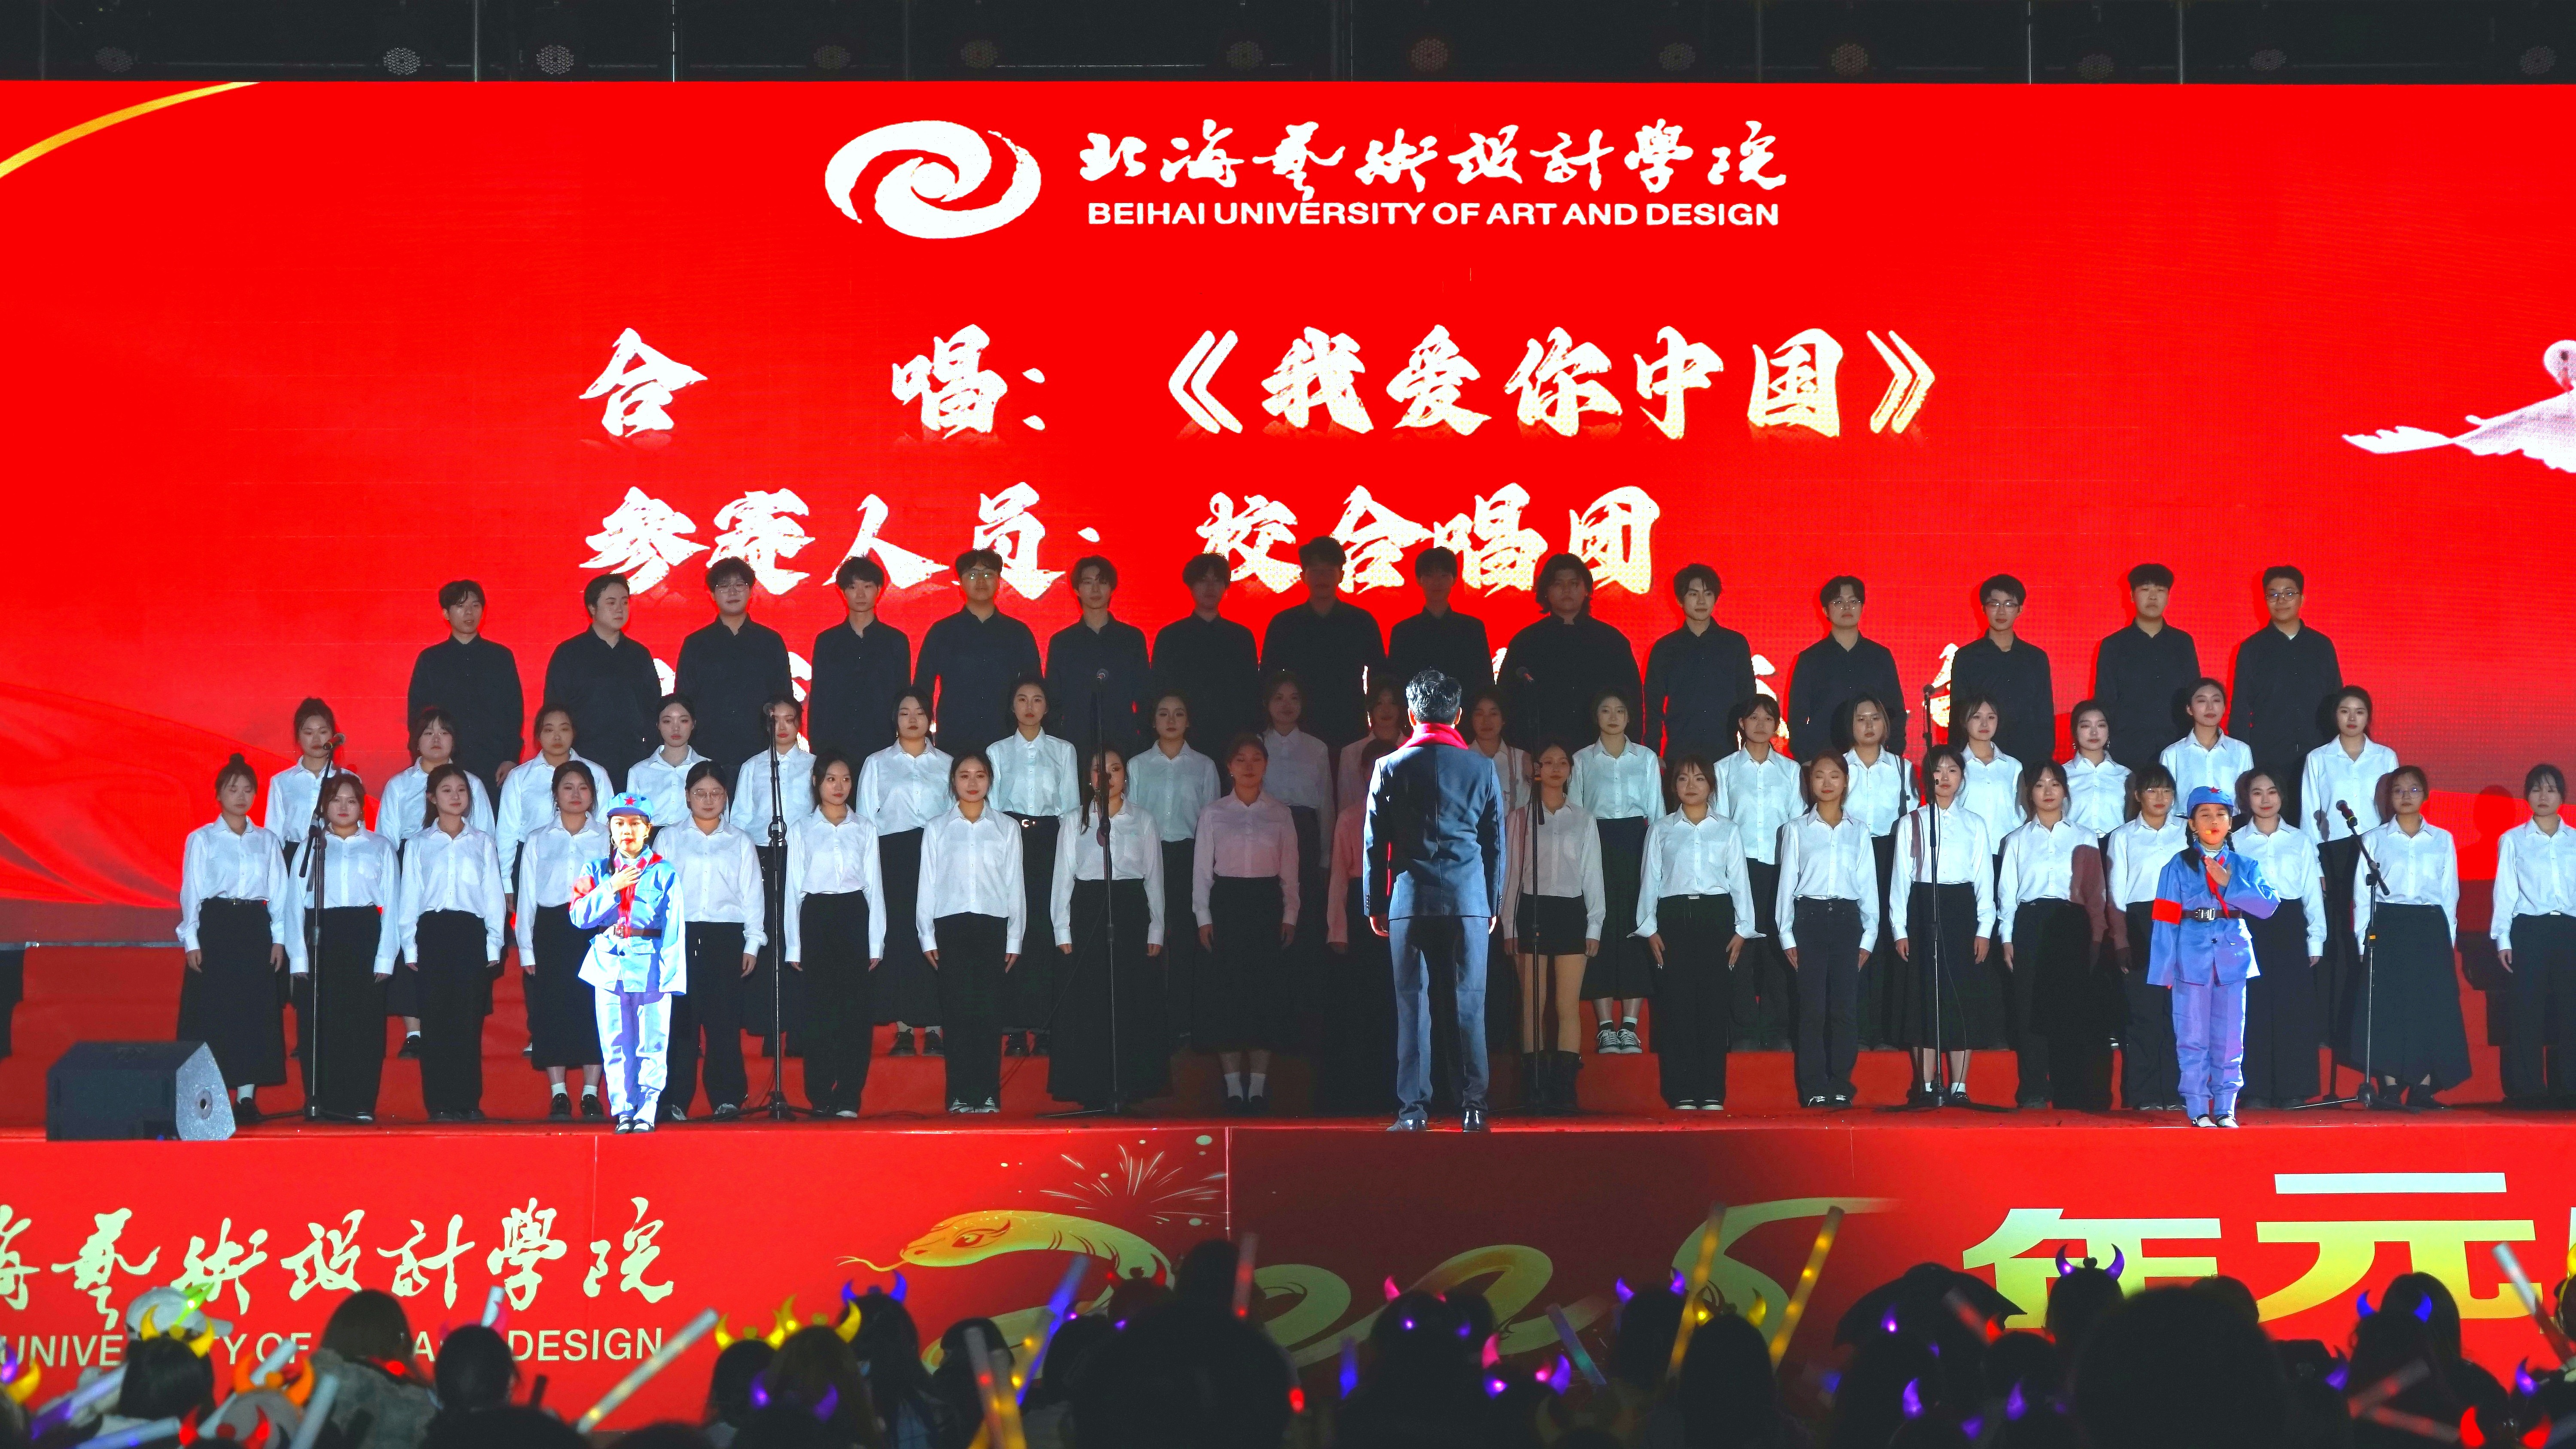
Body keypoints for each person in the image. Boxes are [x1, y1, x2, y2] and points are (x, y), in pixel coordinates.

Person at [1364, 670, 1504, 1132]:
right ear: (1458, 716)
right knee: (1470, 1003)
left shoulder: (1389, 766)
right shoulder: (1481, 767)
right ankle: (1474, 1108)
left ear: (1411, 715)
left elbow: (1374, 844)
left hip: (1410, 899)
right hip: (1468, 899)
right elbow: (1495, 843)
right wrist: (1492, 901)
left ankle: (1413, 1112)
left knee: (1412, 1005)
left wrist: (1375, 903)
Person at [2148, 785, 2282, 1128]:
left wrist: (2229, 883)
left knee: (2230, 1038)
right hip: (2190, 959)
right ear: (2192, 824)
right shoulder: (2176, 867)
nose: (2213, 821)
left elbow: (2268, 906)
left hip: (2232, 957)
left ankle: (2225, 1108)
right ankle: (2197, 1108)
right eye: (2204, 815)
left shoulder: (2245, 865)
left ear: (2231, 822)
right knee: (2192, 1036)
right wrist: (2164, 971)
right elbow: (2164, 921)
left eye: (2221, 814)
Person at [1052, 744, 1169, 1111]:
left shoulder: (1143, 820)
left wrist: (1157, 927)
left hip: (1130, 911)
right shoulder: (1075, 820)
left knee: (1130, 998)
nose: (1108, 777)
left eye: (1115, 769)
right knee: (1091, 1001)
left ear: (1125, 776)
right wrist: (1062, 928)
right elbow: (1063, 878)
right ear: (1089, 778)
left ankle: (1130, 1086)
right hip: (1089, 910)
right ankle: (1092, 1087)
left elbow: (1154, 878)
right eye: (1099, 770)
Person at [1637, 755, 1755, 1112]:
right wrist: (1649, 928)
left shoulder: (1728, 829)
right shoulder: (1661, 829)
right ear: (1673, 786)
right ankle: (1682, 1091)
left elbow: (1740, 881)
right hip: (1673, 918)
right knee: (1677, 1006)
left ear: (1711, 786)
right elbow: (1650, 880)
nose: (1691, 786)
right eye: (1683, 779)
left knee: (1713, 1005)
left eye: (1699, 779)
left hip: (1715, 917)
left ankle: (1712, 1092)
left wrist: (1743, 929)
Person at [2346, 765, 2467, 1111]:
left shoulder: (2442, 839)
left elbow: (2449, 894)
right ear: (2389, 797)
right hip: (2389, 925)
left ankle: (2423, 1088)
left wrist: (2448, 939)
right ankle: (2389, 1086)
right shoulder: (2375, 839)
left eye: (2413, 790)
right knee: (2389, 1006)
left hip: (2430, 927)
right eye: (2398, 790)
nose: (2406, 796)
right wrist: (2363, 940)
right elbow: (2362, 896)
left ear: (2425, 795)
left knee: (2429, 1007)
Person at [179, 754, 290, 1121]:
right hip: (217, 926)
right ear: (218, 795)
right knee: (214, 1010)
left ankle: (246, 1097)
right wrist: (192, 940)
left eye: (247, 790)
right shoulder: (203, 839)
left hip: (254, 927)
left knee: (252, 1011)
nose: (241, 797)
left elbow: (279, 892)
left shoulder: (267, 840)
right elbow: (191, 892)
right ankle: (211, 1097)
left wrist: (278, 938)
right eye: (233, 789)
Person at [1194, 735, 1300, 1114]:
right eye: (1241, 759)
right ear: (1229, 767)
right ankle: (1232, 1089)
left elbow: (1291, 872)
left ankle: (1256, 1088)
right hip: (1227, 905)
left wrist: (1290, 914)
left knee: (1263, 995)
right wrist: (1203, 917)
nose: (1249, 766)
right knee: (1228, 996)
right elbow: (1202, 872)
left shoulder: (1281, 813)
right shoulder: (1214, 813)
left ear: (1267, 765)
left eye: (1257, 759)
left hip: (1265, 905)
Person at [1997, 761, 2113, 1110]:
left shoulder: (2084, 837)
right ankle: (2034, 1088)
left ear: (2065, 790)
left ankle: (2069, 1089)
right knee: (2029, 1006)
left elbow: (2096, 894)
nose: (2048, 791)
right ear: (2029, 793)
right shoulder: (2016, 840)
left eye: (2055, 784)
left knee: (2071, 1007)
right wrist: (2006, 937)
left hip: (2072, 922)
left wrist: (2097, 936)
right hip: (2030, 922)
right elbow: (2007, 894)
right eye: (2040, 785)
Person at [570, 791, 688, 1132]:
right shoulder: (595, 869)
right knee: (616, 1041)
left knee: (652, 1041)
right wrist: (611, 887)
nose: (627, 830)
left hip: (651, 965)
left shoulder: (663, 871)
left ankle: (647, 1109)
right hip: (608, 965)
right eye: (620, 823)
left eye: (636, 823)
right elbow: (578, 916)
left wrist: (672, 977)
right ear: (610, 828)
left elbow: (674, 927)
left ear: (648, 829)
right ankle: (623, 1109)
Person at [1889, 743, 1999, 1106]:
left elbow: (1984, 878)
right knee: (1924, 995)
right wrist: (1900, 929)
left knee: (1961, 995)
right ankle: (1925, 1085)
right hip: (1924, 906)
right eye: (1938, 770)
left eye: (1953, 770)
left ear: (1962, 777)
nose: (1945, 777)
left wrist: (1984, 929)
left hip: (1961, 909)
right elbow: (1900, 879)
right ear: (1927, 777)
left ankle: (1959, 1086)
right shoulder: (1913, 822)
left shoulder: (1974, 824)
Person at [395, 763, 506, 1122]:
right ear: (432, 797)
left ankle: (467, 1100)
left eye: (461, 791)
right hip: (433, 933)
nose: (455, 797)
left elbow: (493, 896)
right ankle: (439, 1102)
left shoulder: (482, 842)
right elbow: (410, 897)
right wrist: (410, 946)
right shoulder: (418, 844)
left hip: (470, 934)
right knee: (436, 1020)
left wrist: (494, 943)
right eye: (447, 790)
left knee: (467, 1021)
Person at [286, 772, 399, 1121]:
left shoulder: (379, 846)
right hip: (322, 934)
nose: (344, 807)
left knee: (363, 1024)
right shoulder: (311, 847)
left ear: (362, 806)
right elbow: (294, 903)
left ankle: (361, 1102)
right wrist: (298, 957)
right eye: (336, 800)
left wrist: (385, 957)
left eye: (352, 801)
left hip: (363, 934)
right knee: (321, 1022)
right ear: (324, 806)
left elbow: (393, 905)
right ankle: (322, 1101)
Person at [1499, 742, 1603, 1116]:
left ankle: (1564, 1089)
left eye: (1563, 762)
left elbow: (1593, 874)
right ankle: (1534, 1088)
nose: (1556, 768)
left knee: (1566, 1004)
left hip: (1571, 911)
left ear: (1571, 770)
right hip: (1532, 909)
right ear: (1537, 770)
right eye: (1549, 762)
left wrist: (1595, 924)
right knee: (1533, 1004)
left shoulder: (1583, 819)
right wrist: (1509, 925)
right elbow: (1511, 874)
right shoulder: (1519, 819)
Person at [918, 751, 1024, 1114]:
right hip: (952, 925)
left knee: (989, 1013)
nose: (973, 782)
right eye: (964, 775)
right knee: (957, 1012)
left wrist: (1015, 936)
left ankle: (988, 1094)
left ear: (991, 780)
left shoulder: (1007, 828)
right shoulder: (937, 828)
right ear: (953, 782)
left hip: (992, 925)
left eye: (980, 775)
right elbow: (927, 884)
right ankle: (960, 1095)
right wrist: (927, 935)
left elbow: (1015, 885)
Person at [784, 749, 885, 1119]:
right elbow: (794, 890)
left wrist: (876, 942)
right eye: (831, 779)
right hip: (817, 916)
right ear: (816, 783)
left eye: (845, 779)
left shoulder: (865, 828)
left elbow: (874, 888)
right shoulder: (802, 829)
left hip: (854, 914)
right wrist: (794, 945)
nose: (839, 786)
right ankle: (820, 1095)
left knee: (855, 1014)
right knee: (819, 1012)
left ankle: (848, 1096)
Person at [662, 761, 762, 1121]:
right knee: (681, 1025)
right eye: (700, 793)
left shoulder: (740, 841)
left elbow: (752, 896)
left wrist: (752, 943)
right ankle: (674, 1100)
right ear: (687, 797)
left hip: (725, 936)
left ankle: (727, 1098)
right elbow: (658, 894)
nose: (708, 800)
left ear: (726, 797)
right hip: (682, 935)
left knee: (724, 1023)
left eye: (716, 793)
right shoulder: (669, 838)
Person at [1777, 752, 1878, 1108]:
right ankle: (1814, 1087)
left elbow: (1868, 887)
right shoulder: (1796, 829)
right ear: (1810, 782)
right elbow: (1786, 886)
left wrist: (1869, 937)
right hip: (1810, 920)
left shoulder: (1859, 830)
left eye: (1834, 775)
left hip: (1848, 922)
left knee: (1844, 1009)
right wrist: (1787, 935)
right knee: (1812, 1009)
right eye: (1819, 775)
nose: (1827, 782)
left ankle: (1840, 1084)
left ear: (1846, 782)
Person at [860, 690, 952, 1059]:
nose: (912, 719)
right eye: (904, 713)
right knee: (899, 934)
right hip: (893, 855)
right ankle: (902, 1029)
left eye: (920, 712)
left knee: (934, 934)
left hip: (937, 854)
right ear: (894, 719)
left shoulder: (947, 763)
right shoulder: (877, 763)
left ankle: (935, 1027)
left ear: (930, 718)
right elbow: (865, 819)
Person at [514, 760, 608, 1120]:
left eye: (583, 788)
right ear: (555, 794)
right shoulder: (538, 838)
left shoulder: (608, 837)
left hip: (594, 931)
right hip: (551, 931)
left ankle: (590, 1093)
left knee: (594, 1011)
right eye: (568, 787)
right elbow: (527, 896)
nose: (576, 794)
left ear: (593, 795)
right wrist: (526, 947)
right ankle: (559, 1094)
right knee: (551, 1011)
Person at [991, 676, 1080, 1058]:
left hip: (1050, 841)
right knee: (1013, 927)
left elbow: (1071, 807)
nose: (1029, 707)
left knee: (1045, 928)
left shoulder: (1064, 751)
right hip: (1010, 840)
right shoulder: (996, 751)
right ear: (1011, 706)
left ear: (1047, 707)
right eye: (1022, 699)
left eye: (1037, 699)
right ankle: (1013, 1027)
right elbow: (994, 807)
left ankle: (1045, 1026)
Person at [1570, 690, 1662, 1056]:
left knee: (1635, 927)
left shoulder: (1646, 758)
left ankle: (1631, 1025)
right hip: (1596, 844)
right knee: (1601, 927)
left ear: (1629, 717)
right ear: (1596, 716)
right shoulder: (1582, 760)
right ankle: (1606, 1027)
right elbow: (1575, 813)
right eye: (1606, 710)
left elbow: (1657, 814)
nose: (1613, 717)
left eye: (1620, 711)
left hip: (1637, 843)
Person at [2230, 770, 2327, 1108]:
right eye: (2257, 793)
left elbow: (2312, 893)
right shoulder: (2236, 841)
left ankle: (2293, 1089)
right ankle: (2254, 1090)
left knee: (2293, 1008)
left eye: (2272, 792)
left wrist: (2316, 939)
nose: (2265, 800)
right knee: (2253, 1008)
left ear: (2282, 797)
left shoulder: (2299, 840)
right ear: (2246, 800)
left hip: (2289, 925)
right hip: (2251, 925)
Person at [2303, 684, 2397, 1031]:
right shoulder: (2318, 759)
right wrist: (2315, 866)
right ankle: (2334, 1026)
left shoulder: (2385, 757)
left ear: (2369, 716)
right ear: (2335, 716)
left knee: (2371, 930)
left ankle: (2371, 1022)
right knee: (2340, 934)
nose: (2352, 718)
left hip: (2374, 852)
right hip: (2334, 854)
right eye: (2345, 711)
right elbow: (2310, 816)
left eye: (2360, 711)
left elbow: (2394, 808)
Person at [1131, 691, 1219, 1052]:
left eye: (1179, 714)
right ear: (1153, 721)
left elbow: (1212, 821)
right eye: (1164, 714)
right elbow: (1131, 818)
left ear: (1188, 721)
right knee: (1148, 939)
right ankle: (1148, 1023)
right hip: (1147, 856)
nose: (1171, 721)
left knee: (1183, 941)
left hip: (1188, 856)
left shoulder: (1204, 766)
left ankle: (1182, 1025)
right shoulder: (1137, 765)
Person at [732, 694, 815, 1064]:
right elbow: (740, 819)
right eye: (775, 720)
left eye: (789, 719)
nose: (782, 727)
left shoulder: (813, 765)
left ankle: (800, 1027)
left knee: (800, 937)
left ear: (799, 723)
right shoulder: (752, 767)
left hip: (803, 857)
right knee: (770, 938)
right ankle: (771, 1026)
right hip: (764, 856)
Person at [1713, 696, 1798, 1050]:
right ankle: (1743, 1031)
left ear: (1777, 725)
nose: (1761, 724)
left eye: (1768, 718)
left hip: (1780, 868)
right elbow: (1719, 822)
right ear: (1741, 724)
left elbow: (1797, 824)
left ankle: (1778, 1030)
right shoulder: (1724, 770)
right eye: (1753, 718)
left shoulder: (1791, 771)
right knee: (1740, 949)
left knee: (1778, 949)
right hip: (1740, 868)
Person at [1322, 735, 1401, 1118]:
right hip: (1360, 912)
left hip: (1402, 910)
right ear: (1364, 772)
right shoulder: (1351, 817)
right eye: (1374, 768)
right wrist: (1337, 929)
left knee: (1399, 1005)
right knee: (1363, 1006)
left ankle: (1400, 1092)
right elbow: (1339, 877)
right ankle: (1362, 1093)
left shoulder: (1411, 814)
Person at [2104, 767, 2188, 1112]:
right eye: (2152, 791)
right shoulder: (2123, 836)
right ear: (2138, 795)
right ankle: (2145, 1095)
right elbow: (2116, 894)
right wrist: (2121, 940)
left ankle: (2177, 1093)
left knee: (2179, 1013)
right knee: (2144, 1012)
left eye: (2166, 791)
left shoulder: (2187, 831)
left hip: (2182, 922)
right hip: (2141, 923)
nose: (2160, 798)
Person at [1500, 552, 1642, 756]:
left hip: (1602, 754)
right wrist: (1520, 753)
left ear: (1587, 590)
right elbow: (1508, 701)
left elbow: (1632, 700)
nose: (1566, 590)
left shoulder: (1611, 641)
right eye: (1558, 584)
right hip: (1543, 756)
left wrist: (1630, 752)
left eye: (1574, 583)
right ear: (1546, 591)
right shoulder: (1526, 642)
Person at [2230, 565, 2343, 822]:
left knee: (2317, 826)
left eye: (2289, 593)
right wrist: (2245, 763)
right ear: (2264, 600)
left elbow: (2337, 702)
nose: (2281, 600)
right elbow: (2240, 710)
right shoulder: (2252, 649)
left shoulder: (2321, 646)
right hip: (2268, 757)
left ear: (2302, 598)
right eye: (2273, 595)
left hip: (2316, 753)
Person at [2495, 764, 2576, 1105]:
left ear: (2562, 797)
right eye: (2536, 789)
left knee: (2571, 1009)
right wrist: (2503, 938)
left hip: (2570, 929)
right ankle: (2528, 1089)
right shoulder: (2513, 840)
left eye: (2551, 790)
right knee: (2527, 1010)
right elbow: (2505, 892)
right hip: (2530, 928)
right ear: (2527, 795)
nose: (2543, 796)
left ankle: (2570, 1087)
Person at [1260, 536, 1387, 751]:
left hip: (1349, 725)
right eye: (1315, 571)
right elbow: (1268, 678)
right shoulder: (1284, 624)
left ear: (1341, 576)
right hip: (1297, 727)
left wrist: (1377, 721)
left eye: (1329, 571)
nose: (1322, 578)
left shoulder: (1361, 622)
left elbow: (1379, 676)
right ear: (1303, 576)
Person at [915, 547, 1043, 760]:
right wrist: (924, 738)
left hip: (1008, 742)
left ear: (999, 580)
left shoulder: (1018, 633)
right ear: (960, 582)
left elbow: (1036, 689)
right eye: (973, 575)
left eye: (988, 574)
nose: (981, 581)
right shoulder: (942, 632)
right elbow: (922, 690)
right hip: (954, 741)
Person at [675, 558, 793, 782]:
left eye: (740, 585)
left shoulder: (770, 642)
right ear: (712, 594)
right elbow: (684, 701)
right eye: (724, 586)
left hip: (760, 755)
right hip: (706, 754)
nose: (732, 592)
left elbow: (784, 700)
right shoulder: (696, 644)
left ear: (751, 591)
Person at [407, 579, 525, 799]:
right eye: (461, 606)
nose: (469, 612)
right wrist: (423, 761)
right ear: (446, 613)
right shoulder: (431, 660)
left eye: (475, 605)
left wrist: (511, 758)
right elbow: (417, 717)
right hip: (444, 763)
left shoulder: (500, 658)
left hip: (492, 764)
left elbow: (513, 712)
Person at [1842, 694, 1915, 1048]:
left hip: (1891, 854)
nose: (1869, 725)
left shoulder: (1904, 768)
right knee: (1855, 938)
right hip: (1849, 854)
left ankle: (1887, 1031)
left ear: (1886, 724)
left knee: (1888, 937)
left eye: (1875, 718)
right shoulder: (1839, 766)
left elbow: (1913, 820)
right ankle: (1856, 1030)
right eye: (1861, 718)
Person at [545, 573, 661, 792]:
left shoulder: (639, 655)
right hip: (583, 763)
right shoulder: (569, 653)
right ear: (592, 608)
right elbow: (555, 711)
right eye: (611, 602)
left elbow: (653, 709)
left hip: (633, 762)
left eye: (625, 602)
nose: (620, 609)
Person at [1640, 563, 1757, 766]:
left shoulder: (1735, 644)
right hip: (1679, 754)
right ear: (1680, 600)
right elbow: (1653, 707)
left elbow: (1748, 700)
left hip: (1726, 754)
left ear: (1716, 598)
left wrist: (1751, 750)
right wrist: (1653, 753)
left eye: (1708, 594)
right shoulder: (1665, 649)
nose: (1702, 601)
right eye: (1693, 594)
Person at [2093, 563, 2200, 776]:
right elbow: (2105, 701)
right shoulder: (2113, 646)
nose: (2153, 597)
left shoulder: (2182, 643)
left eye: (2160, 590)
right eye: (2145, 589)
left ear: (2168, 597)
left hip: (2176, 748)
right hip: (2127, 752)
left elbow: (2194, 696)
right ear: (2132, 596)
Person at [1047, 555, 1155, 761]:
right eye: (1088, 583)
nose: (1095, 590)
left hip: (1124, 741)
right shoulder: (1062, 642)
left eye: (1102, 582)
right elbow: (1053, 701)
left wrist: (1144, 741)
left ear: (1112, 588)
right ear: (1077, 590)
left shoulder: (1131, 639)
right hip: (1076, 744)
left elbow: (1144, 696)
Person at [807, 555, 913, 765]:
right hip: (836, 747)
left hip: (883, 746)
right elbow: (819, 699)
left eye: (868, 586)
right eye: (853, 587)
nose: (861, 594)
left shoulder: (896, 641)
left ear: (880, 589)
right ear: (842, 591)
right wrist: (818, 749)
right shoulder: (827, 641)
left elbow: (903, 696)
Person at [1152, 553, 1261, 756]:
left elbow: (1251, 694)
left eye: (1217, 580)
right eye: (1203, 580)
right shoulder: (1171, 637)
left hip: (1233, 742)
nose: (1210, 587)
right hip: (1184, 742)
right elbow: (1160, 692)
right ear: (1191, 586)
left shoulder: (1241, 637)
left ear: (1226, 586)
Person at [1788, 576, 1908, 759]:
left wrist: (1893, 754)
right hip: (1825, 761)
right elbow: (1797, 718)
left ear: (1862, 607)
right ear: (1825, 611)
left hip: (1873, 760)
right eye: (1838, 602)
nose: (1847, 607)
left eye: (1854, 601)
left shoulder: (1880, 657)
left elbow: (1895, 710)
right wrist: (1807, 760)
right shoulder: (1810, 660)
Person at [1950, 574, 2057, 770]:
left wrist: (2043, 762)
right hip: (1979, 761)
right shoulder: (1967, 658)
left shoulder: (2035, 658)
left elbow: (2044, 716)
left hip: (2028, 760)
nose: (2001, 611)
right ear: (1983, 609)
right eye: (1994, 604)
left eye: (2009, 604)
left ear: (2020, 610)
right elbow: (1958, 716)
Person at [495, 704, 604, 871]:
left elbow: (604, 824)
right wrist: (505, 878)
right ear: (538, 736)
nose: (557, 737)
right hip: (532, 863)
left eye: (564, 729)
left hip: (586, 864)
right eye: (549, 730)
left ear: (574, 733)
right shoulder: (519, 777)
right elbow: (507, 833)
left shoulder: (596, 774)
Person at [380, 708, 497, 849]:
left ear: (454, 741)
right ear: (417, 742)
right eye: (429, 733)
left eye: (444, 733)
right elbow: (386, 841)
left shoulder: (473, 784)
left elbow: (486, 838)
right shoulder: (399, 785)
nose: (436, 739)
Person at [1384, 546, 1492, 697]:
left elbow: (1485, 682)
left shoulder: (1472, 629)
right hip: (1416, 711)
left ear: (1455, 579)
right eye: (1429, 576)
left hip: (1464, 709)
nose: (1437, 582)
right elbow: (1396, 684)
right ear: (1418, 580)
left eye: (1444, 575)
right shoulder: (1403, 632)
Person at [263, 697, 341, 862]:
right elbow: (274, 836)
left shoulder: (346, 779)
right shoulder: (282, 782)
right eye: (309, 733)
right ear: (298, 737)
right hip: (293, 856)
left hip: (337, 855)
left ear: (333, 735)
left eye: (323, 732)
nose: (316, 739)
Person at [1953, 692, 2027, 853]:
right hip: (1968, 851)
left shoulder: (2013, 766)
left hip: (2005, 851)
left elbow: (2022, 812)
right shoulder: (1956, 765)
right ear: (1965, 721)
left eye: (1991, 717)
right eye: (1977, 717)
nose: (1985, 724)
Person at [2159, 678, 2251, 805]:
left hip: (2232, 818)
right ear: (2189, 709)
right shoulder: (2172, 754)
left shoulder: (2241, 751)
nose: (2210, 707)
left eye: (2216, 700)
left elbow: (2247, 798)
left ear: (2224, 707)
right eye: (2202, 701)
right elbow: (2166, 801)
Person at [628, 694, 711, 831]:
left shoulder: (709, 769)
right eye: (667, 721)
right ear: (658, 725)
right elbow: (632, 821)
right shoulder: (639, 771)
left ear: (693, 724)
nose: (676, 728)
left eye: (684, 721)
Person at [1337, 682, 1410, 823]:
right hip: (1360, 826)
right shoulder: (1351, 753)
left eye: (1392, 703)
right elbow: (1345, 803)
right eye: (1379, 703)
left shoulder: (1413, 749)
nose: (1386, 710)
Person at [2063, 700, 2131, 841]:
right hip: (2074, 847)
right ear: (2075, 731)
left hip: (2114, 848)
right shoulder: (2062, 774)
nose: (2094, 732)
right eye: (2086, 726)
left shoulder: (2125, 775)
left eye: (2101, 725)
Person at [1465, 686, 1530, 814]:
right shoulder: (1461, 758)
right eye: (1479, 714)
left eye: (1493, 714)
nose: (1486, 721)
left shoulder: (1522, 759)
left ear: (1503, 719)